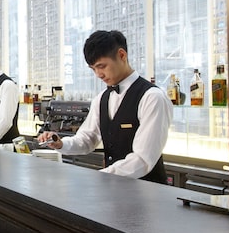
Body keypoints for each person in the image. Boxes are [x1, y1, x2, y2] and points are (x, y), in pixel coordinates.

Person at [37, 30, 172, 183]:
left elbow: (143, 159)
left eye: (101, 66)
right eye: (93, 69)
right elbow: (87, 138)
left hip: (148, 190)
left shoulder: (152, 97)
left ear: (122, 55)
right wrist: (61, 143)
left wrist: (100, 177)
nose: (98, 74)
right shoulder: (102, 98)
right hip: (112, 189)